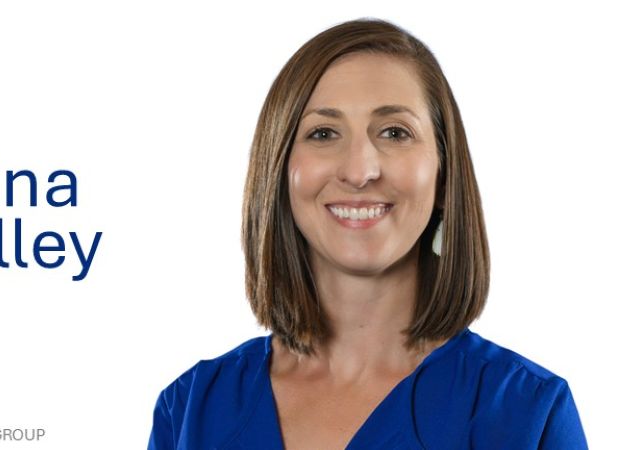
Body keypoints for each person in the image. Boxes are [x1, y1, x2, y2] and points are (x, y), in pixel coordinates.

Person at [148, 18, 588, 449]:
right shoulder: (189, 410)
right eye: (323, 133)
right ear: (279, 172)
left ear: (444, 175)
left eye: (395, 133)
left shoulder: (526, 414)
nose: (359, 171)